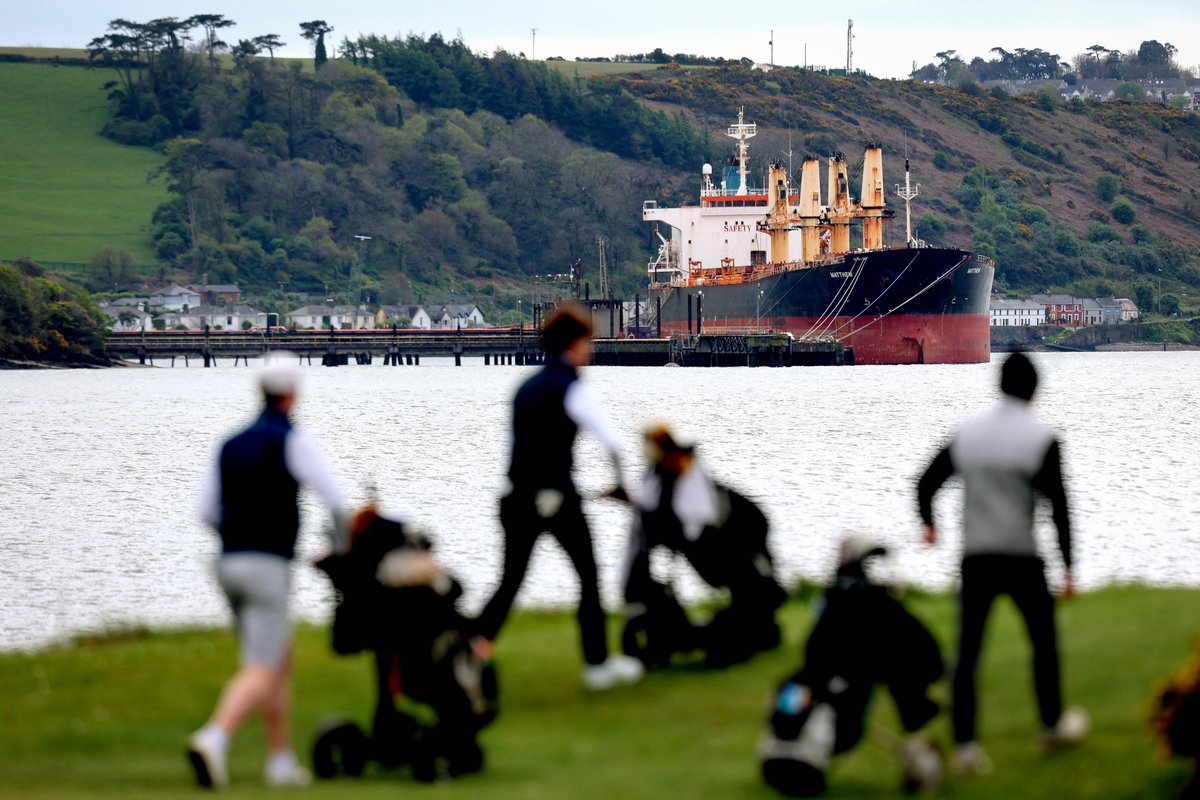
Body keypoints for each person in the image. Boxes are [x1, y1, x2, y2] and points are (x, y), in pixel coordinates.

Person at [917, 350, 1088, 776]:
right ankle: (1051, 725)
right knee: (1043, 643)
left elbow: (926, 483)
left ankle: (965, 748)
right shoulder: (1041, 439)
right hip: (1022, 555)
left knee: (969, 652)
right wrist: (1068, 567)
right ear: (1034, 389)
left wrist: (929, 524)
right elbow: (1059, 508)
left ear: (1000, 385)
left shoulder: (968, 434)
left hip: (976, 557)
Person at [188, 351, 347, 789]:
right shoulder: (291, 439)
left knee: (275, 658)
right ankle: (214, 738)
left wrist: (237, 529)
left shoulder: (230, 443)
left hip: (226, 562)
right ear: (293, 393)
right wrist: (341, 547)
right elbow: (334, 501)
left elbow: (205, 512)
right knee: (262, 664)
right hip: (267, 564)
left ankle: (280, 761)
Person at [474, 303, 643, 691]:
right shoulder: (570, 386)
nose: (590, 351)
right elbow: (614, 444)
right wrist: (619, 485)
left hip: (516, 495)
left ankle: (473, 647)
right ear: (576, 343)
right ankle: (597, 665)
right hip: (558, 496)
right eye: (588, 342)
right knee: (589, 577)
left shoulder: (525, 387)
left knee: (510, 581)